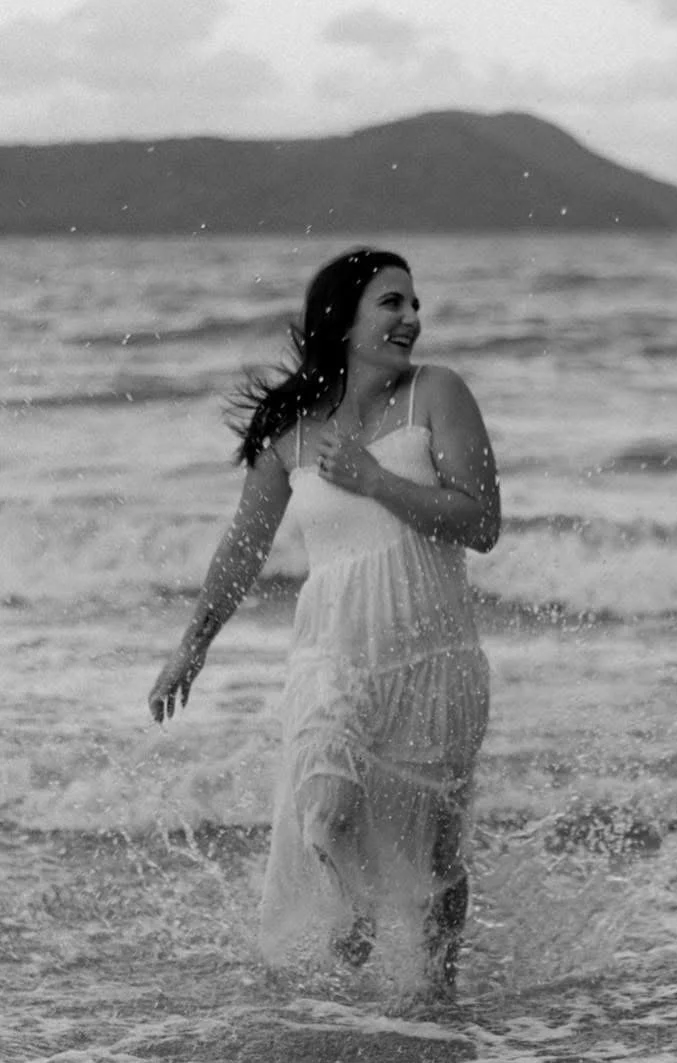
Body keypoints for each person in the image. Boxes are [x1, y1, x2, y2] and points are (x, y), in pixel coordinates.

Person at [149, 247, 501, 997]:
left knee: (438, 856)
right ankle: (356, 938)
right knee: (326, 814)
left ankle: (438, 996)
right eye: (392, 303)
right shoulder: (291, 432)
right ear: (344, 319)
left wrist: (375, 481)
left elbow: (482, 522)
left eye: (413, 303)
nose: (411, 318)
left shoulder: (437, 393)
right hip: (333, 655)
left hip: (435, 659)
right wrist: (193, 646)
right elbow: (241, 551)